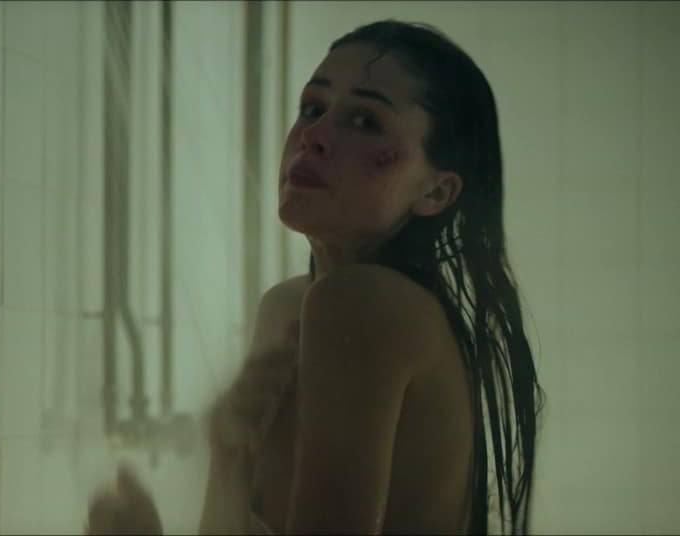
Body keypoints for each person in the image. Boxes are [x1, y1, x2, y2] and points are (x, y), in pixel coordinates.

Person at [86, 19, 545, 535]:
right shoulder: (290, 305)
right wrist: (230, 461)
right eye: (312, 109)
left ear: (435, 192)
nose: (314, 136)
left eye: (365, 121)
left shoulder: (365, 303)